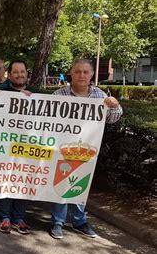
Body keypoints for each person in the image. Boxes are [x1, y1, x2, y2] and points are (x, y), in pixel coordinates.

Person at [50, 59, 122, 240]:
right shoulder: (59, 94)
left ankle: (79, 222)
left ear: (91, 75)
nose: (81, 75)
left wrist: (114, 105)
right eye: (77, 72)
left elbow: (113, 118)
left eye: (85, 72)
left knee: (81, 185)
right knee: (62, 184)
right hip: (63, 149)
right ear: (71, 74)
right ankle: (57, 222)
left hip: (87, 150)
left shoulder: (99, 96)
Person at [0, 60, 34, 235]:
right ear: (9, 75)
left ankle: (19, 219)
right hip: (4, 146)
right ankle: (4, 218)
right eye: (16, 72)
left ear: (26, 73)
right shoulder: (1, 93)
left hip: (26, 147)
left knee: (22, 181)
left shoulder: (35, 95)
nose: (19, 75)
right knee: (4, 180)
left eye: (22, 71)